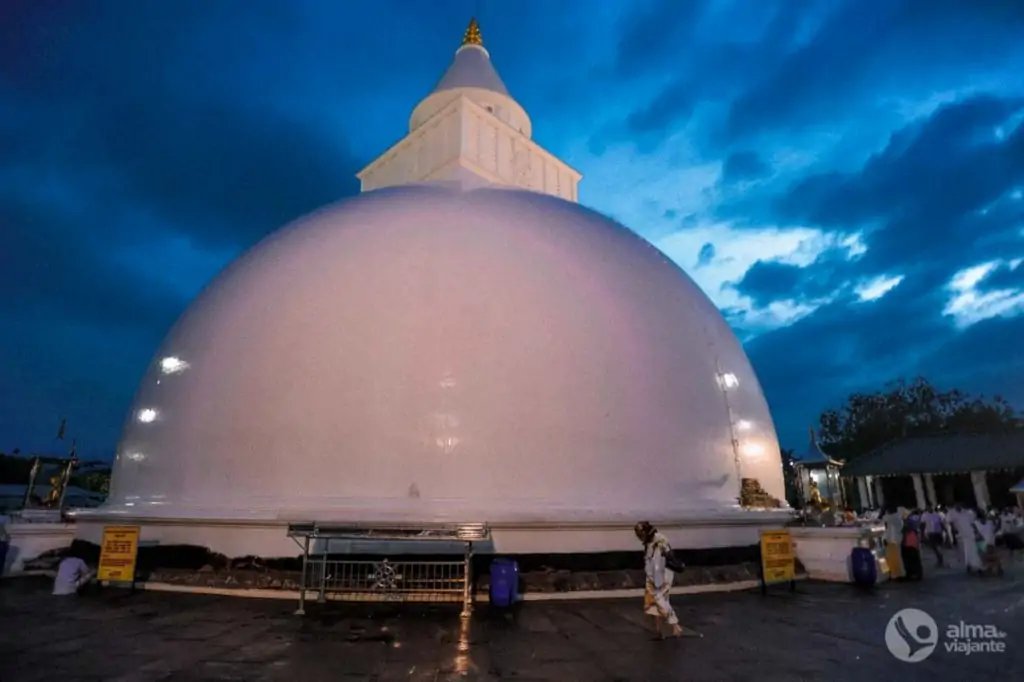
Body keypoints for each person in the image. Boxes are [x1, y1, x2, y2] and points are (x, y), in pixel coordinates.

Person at [634, 521, 683, 639]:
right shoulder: (650, 542)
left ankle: (675, 625)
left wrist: (654, 579)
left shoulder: (658, 541)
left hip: (661, 574)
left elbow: (658, 561)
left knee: (659, 599)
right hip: (653, 574)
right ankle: (659, 631)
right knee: (652, 602)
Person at [947, 502, 982, 574]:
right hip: (960, 535)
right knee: (965, 551)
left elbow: (972, 523)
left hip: (970, 533)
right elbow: (950, 523)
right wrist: (953, 534)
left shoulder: (968, 513)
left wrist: (977, 532)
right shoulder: (951, 513)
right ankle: (969, 565)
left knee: (972, 550)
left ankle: (975, 565)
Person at [882, 505, 905, 579]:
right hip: (898, 538)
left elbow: (882, 520)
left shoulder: (890, 517)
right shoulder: (898, 517)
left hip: (891, 540)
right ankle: (900, 573)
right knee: (898, 557)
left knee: (892, 557)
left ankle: (895, 574)